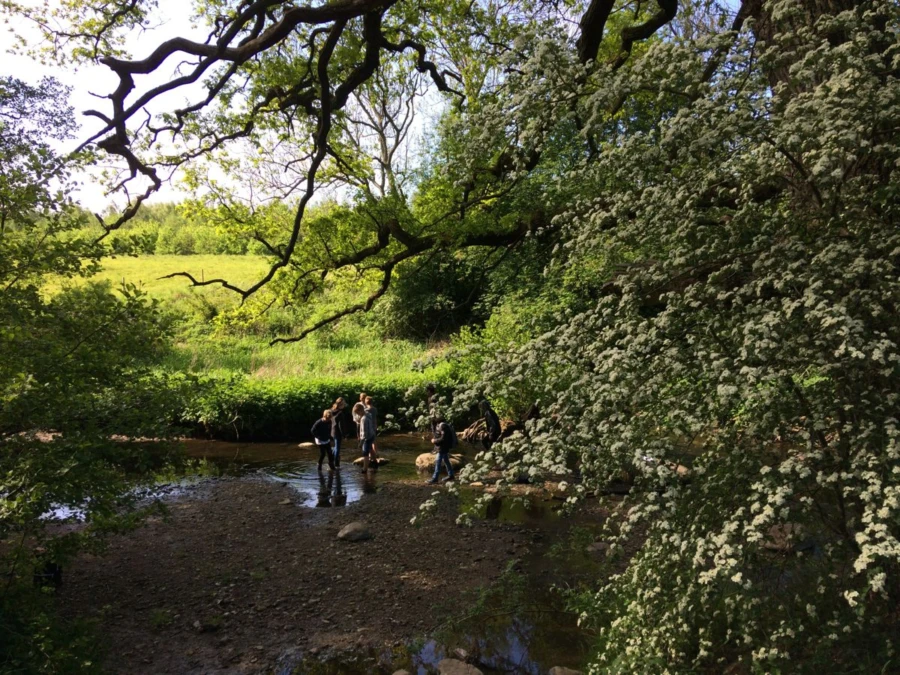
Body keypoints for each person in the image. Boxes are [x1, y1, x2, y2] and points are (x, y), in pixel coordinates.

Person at [427, 413, 455, 484]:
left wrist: (434, 441)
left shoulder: (443, 426)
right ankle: (451, 475)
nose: (432, 420)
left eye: (433, 418)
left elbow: (443, 439)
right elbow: (436, 433)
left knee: (438, 462)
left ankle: (435, 478)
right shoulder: (439, 425)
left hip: (443, 447)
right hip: (442, 446)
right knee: (446, 460)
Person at [330, 397, 348, 467]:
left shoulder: (331, 410)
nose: (344, 406)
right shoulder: (340, 413)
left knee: (335, 446)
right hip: (337, 432)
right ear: (341, 405)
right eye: (344, 404)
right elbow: (341, 426)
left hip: (331, 431)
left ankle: (331, 455)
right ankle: (335, 463)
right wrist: (344, 436)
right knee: (337, 448)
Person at [360, 403, 377, 473]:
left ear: (360, 411)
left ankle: (364, 469)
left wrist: (361, 442)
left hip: (367, 438)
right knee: (370, 449)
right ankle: (375, 461)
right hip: (372, 435)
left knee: (365, 453)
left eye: (357, 413)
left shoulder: (363, 419)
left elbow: (364, 431)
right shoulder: (369, 415)